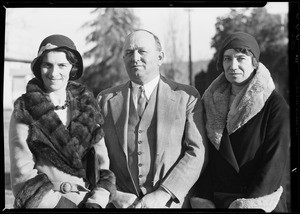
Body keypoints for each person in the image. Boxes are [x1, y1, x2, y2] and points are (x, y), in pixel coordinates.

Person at [97, 29, 207, 208]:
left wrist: (164, 193)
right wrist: (114, 194)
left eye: (142, 51)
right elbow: (96, 157)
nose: (135, 57)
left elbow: (197, 153)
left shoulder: (186, 97)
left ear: (160, 57)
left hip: (170, 204)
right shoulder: (105, 100)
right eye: (128, 52)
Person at [9, 34, 116, 208]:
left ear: (72, 68)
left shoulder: (87, 106)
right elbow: (23, 177)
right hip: (47, 204)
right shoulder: (25, 110)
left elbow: (103, 165)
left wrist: (98, 200)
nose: (54, 73)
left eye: (62, 65)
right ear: (39, 67)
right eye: (47, 65)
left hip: (89, 202)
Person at [190, 32, 290, 212]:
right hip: (218, 201)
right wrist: (203, 198)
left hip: (260, 202)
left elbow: (274, 163)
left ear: (254, 63)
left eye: (240, 58)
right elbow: (204, 155)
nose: (232, 65)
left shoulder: (275, 105)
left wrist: (249, 205)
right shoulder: (209, 103)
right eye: (227, 59)